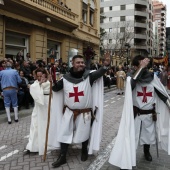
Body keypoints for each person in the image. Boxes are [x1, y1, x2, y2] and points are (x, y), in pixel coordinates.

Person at [48, 54, 110, 168]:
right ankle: (62, 157)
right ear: (73, 63)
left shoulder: (89, 76)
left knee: (84, 133)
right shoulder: (65, 78)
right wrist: (51, 81)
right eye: (78, 62)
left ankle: (84, 151)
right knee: (64, 133)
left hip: (84, 112)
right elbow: (56, 89)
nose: (81, 64)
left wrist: (105, 66)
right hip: (69, 112)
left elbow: (100, 72)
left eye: (82, 62)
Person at [109, 55, 170, 170]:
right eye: (141, 65)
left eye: (145, 66)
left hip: (149, 113)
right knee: (133, 135)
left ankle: (146, 152)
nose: (144, 68)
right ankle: (129, 155)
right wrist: (140, 69)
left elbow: (162, 95)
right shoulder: (131, 79)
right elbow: (131, 86)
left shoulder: (153, 78)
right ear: (135, 66)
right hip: (136, 113)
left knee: (148, 136)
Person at [24, 68, 51, 155]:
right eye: (37, 76)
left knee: (45, 125)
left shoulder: (49, 82)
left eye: (41, 75)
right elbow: (33, 90)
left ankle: (45, 145)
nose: (39, 78)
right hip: (38, 106)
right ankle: (32, 146)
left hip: (47, 105)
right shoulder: (36, 83)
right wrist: (38, 84)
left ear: (45, 74)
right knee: (35, 125)